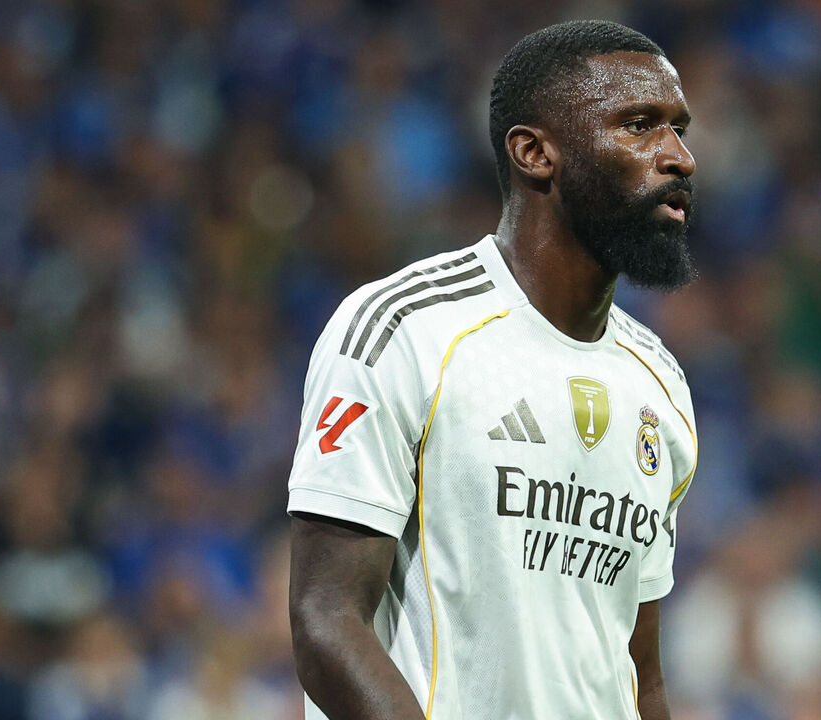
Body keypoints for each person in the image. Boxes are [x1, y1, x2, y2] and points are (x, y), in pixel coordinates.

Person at [287, 19, 698, 720]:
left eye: (679, 129)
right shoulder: (406, 330)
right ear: (535, 153)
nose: (680, 157)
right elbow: (327, 621)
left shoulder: (660, 382)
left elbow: (640, 675)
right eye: (639, 126)